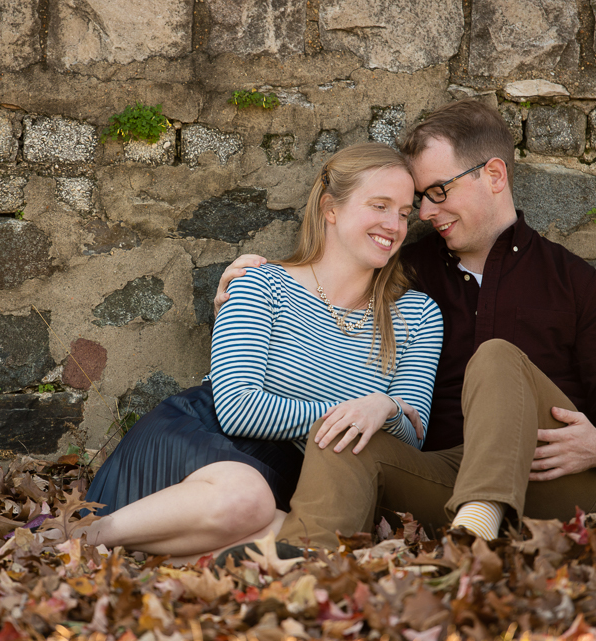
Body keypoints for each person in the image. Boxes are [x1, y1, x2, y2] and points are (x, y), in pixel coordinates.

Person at [215, 99, 596, 547]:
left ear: (495, 176)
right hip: (441, 485)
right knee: (345, 434)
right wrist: (240, 302)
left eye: (438, 191)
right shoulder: (404, 274)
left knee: (497, 356)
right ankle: (300, 564)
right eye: (418, 200)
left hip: (553, 483)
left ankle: (479, 520)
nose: (423, 213)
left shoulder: (574, 282)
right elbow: (325, 300)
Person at [79, 143, 443, 562]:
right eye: (379, 206)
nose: (394, 225)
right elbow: (237, 408)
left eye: (403, 212)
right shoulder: (262, 284)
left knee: (307, 550)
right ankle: (85, 536)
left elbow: (411, 439)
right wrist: (362, 411)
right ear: (330, 208)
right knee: (248, 501)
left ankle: (153, 551)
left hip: (295, 483)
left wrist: (385, 409)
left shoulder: (417, 315)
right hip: (203, 442)